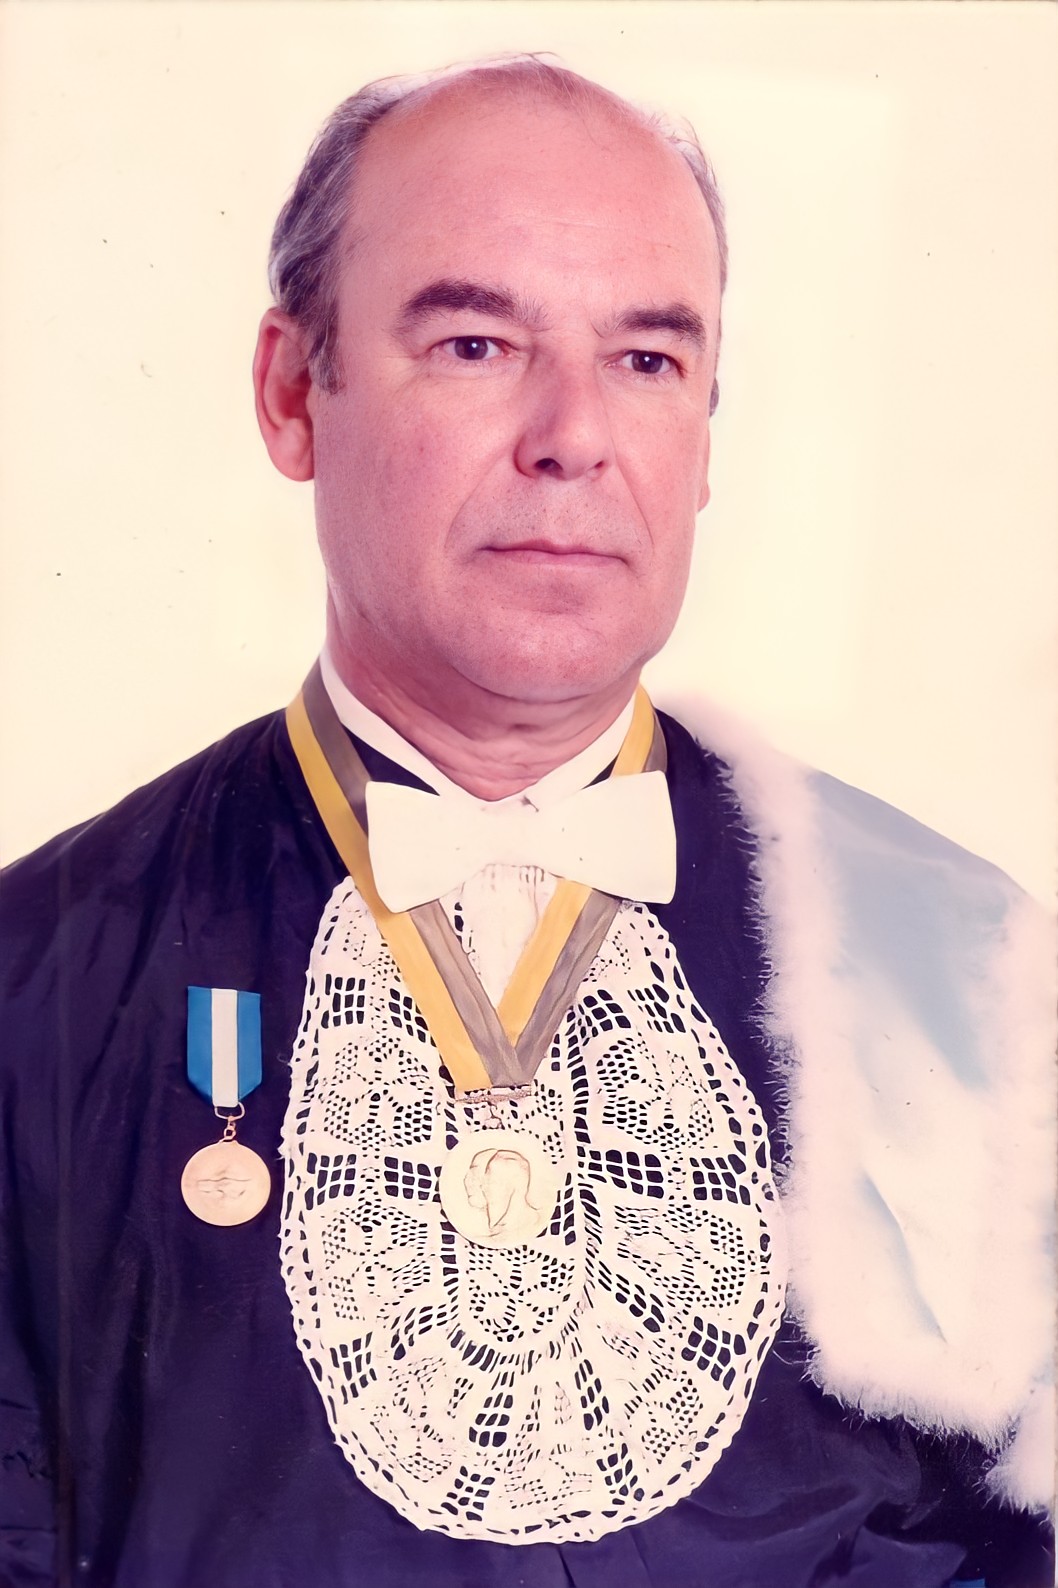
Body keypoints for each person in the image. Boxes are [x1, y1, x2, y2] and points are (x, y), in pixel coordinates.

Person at [0, 55, 1052, 1588]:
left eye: (645, 358)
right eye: (476, 343)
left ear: (706, 429)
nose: (572, 434)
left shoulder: (957, 970)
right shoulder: (33, 986)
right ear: (292, 393)